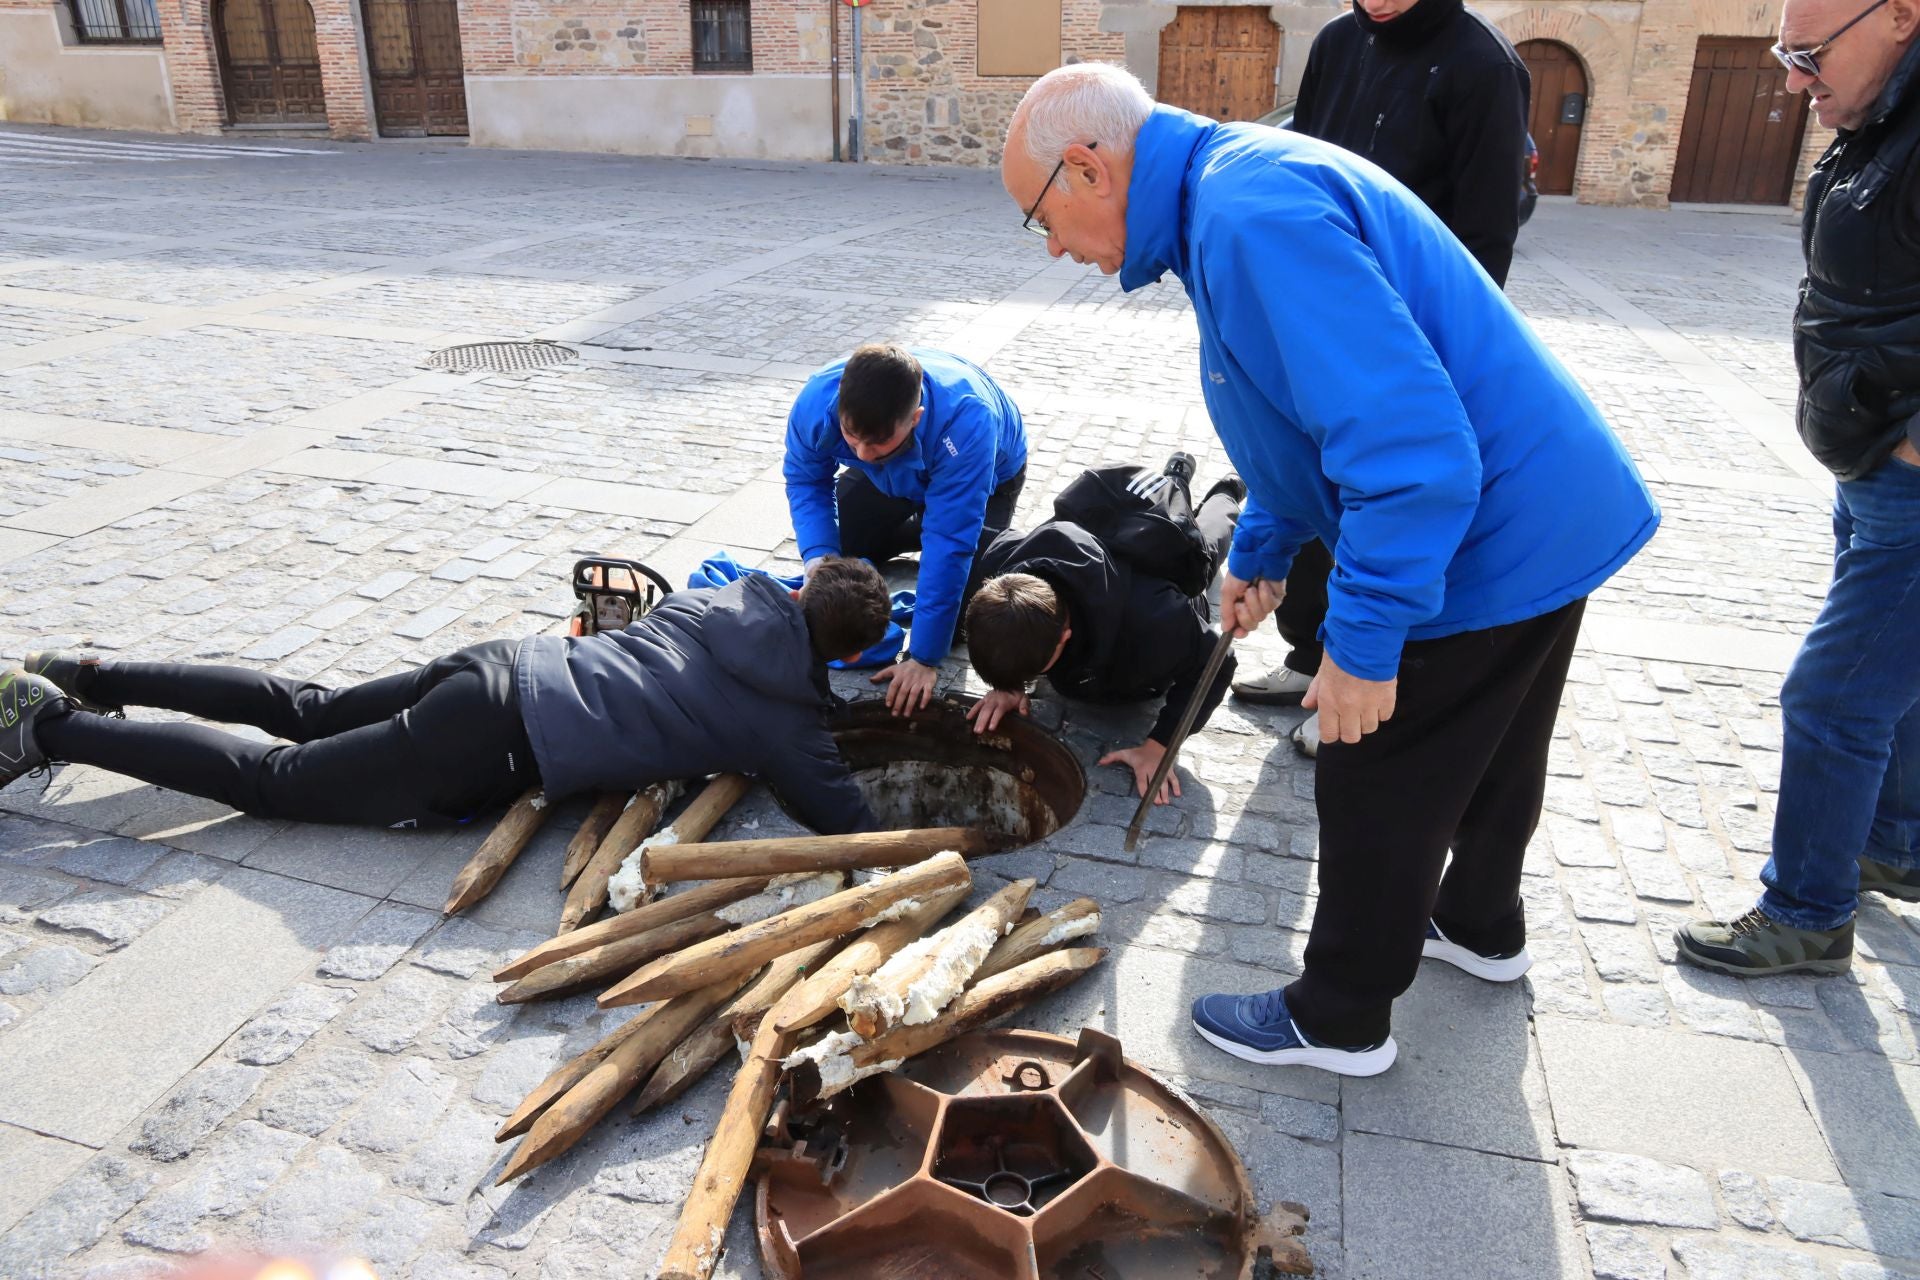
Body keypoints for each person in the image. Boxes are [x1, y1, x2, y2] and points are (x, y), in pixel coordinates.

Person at [1001, 63, 1657, 1076]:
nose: (1049, 243)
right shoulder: (1226, 191)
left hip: (1485, 528)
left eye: (1039, 214)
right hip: (1545, 509)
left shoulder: (1247, 215)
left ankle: (1341, 1014)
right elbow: (1304, 414)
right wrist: (1260, 548)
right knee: (1495, 741)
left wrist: (1361, 641)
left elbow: (1408, 452)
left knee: (1372, 762)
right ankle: (1481, 925)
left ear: (1087, 167)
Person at [0, 558, 893, 836]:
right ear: (845, 653)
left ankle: (85, 670)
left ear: (801, 588)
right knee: (276, 780)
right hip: (495, 741)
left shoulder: (718, 597)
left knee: (308, 704)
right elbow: (844, 815)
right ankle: (50, 725)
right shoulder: (786, 722)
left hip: (498, 665)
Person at [1675, 0, 1920, 977]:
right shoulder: (1883, 118)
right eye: (1784, 55)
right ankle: (1892, 841)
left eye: (1808, 54)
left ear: (1901, 13)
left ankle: (1809, 909)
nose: (1791, 81)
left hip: (1904, 469)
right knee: (1893, 679)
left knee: (1833, 696)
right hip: (1872, 456)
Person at [1231, 0, 1532, 735]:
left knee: (1379, 505)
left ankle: (1353, 671)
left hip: (1409, 340)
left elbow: (1487, 234)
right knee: (1308, 479)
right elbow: (1302, 167)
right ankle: (1308, 655)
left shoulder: (1484, 65)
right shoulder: (1336, 43)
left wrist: (1439, 352)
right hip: (1322, 318)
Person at [963, 463, 1247, 804]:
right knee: (1171, 497)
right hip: (1113, 535)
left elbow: (1218, 660)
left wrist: (1161, 745)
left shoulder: (1154, 619)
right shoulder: (999, 567)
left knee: (1206, 549)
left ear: (1064, 635)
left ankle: (1226, 492)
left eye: (1035, 672)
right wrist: (1006, 685)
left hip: (1162, 560)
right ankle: (1175, 476)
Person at [784, 343, 1029, 717]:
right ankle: (920, 527)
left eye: (877, 441)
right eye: (852, 436)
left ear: (915, 417)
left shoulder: (967, 421)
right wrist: (818, 556)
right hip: (891, 475)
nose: (862, 453)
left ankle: (963, 532)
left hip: (986, 473)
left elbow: (950, 544)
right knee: (841, 551)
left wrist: (924, 657)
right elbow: (806, 480)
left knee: (962, 619)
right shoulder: (817, 400)